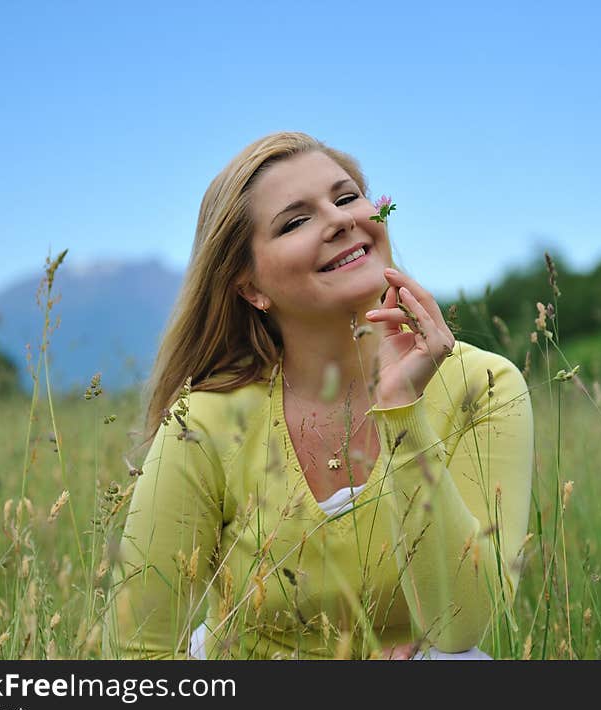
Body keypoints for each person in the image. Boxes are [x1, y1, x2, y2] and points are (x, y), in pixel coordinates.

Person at [102, 131, 534, 660]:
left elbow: (461, 625)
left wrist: (402, 410)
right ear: (250, 287)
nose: (339, 219)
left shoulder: (484, 386)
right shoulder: (206, 420)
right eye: (296, 221)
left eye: (347, 197)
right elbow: (136, 651)